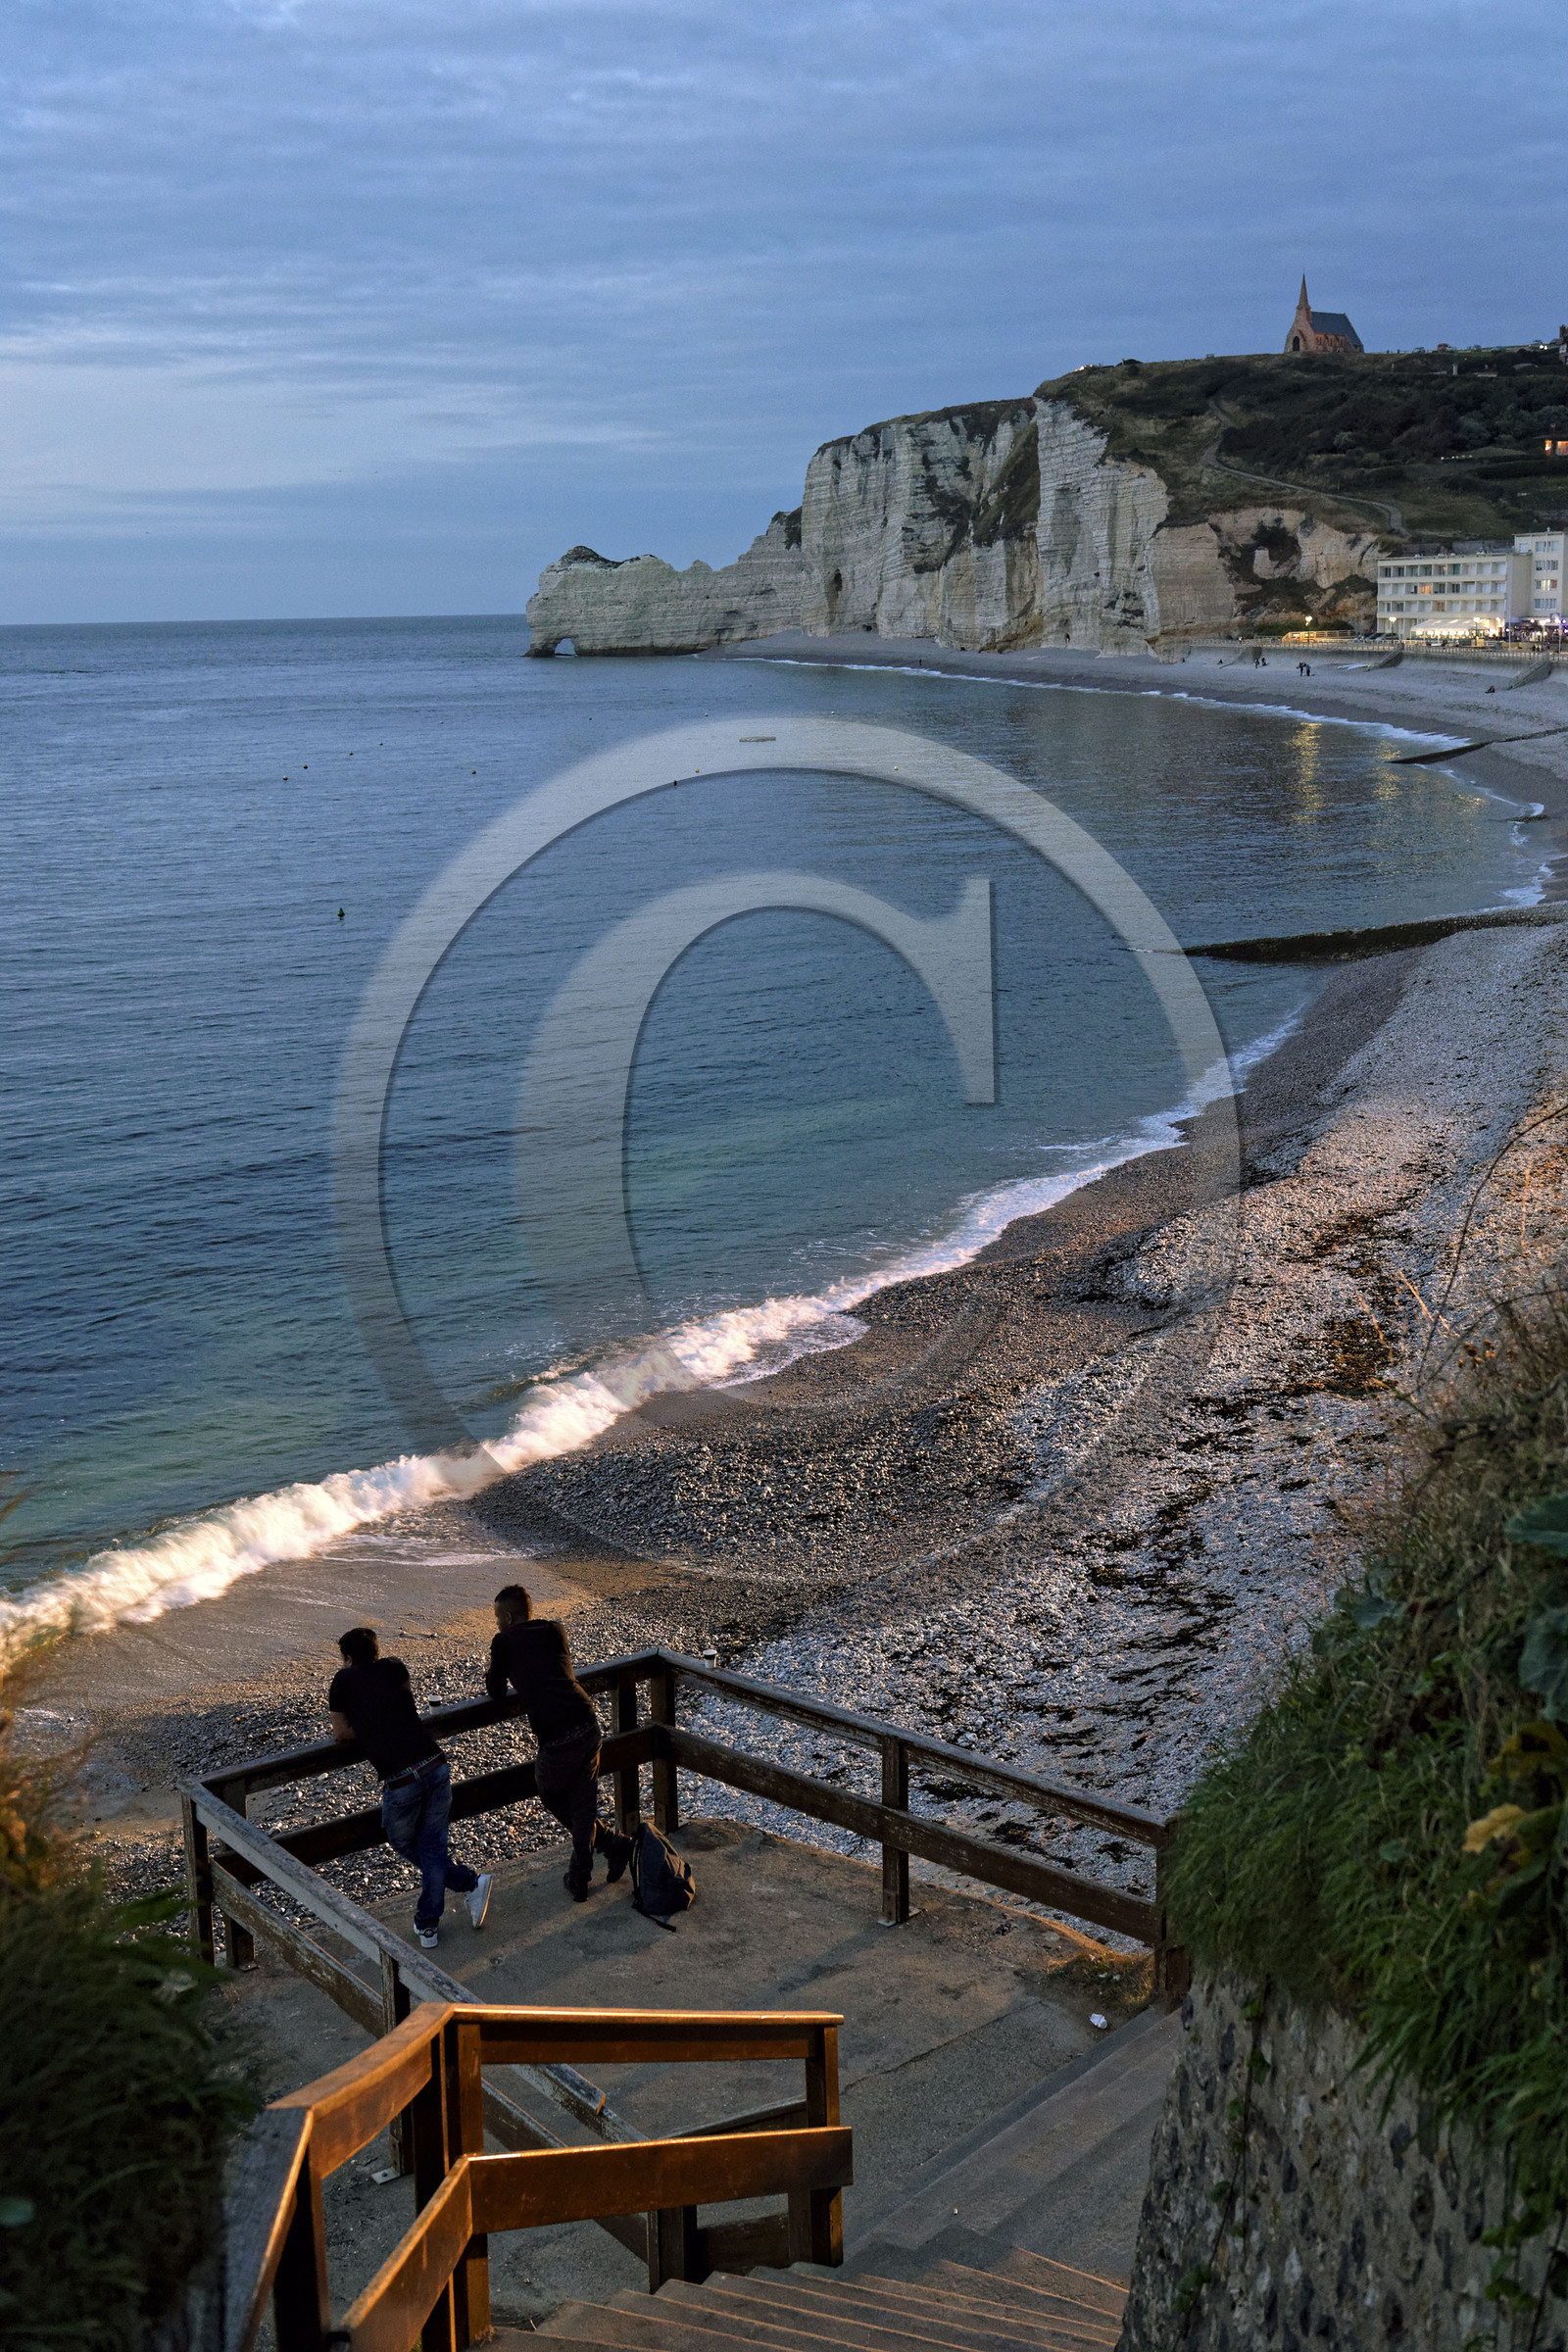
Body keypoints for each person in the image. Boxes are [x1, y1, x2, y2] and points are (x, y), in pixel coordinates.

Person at [329, 1627, 491, 1949]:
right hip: (434, 1763)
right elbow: (402, 1707)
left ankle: (437, 1915)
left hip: (401, 1778)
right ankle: (464, 1889)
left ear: (348, 1658)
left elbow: (340, 1733)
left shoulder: (342, 1681)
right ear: (376, 1650)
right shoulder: (395, 1667)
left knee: (404, 1841)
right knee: (432, 1847)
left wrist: (371, 1728)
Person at [486, 1585, 632, 1901]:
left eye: (498, 1617)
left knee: (552, 1795)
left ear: (508, 1617)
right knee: (582, 1802)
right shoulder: (555, 1629)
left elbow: (495, 1691)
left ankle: (595, 1861)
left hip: (557, 1736)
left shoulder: (504, 1641)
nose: (496, 1623)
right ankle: (602, 1856)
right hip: (586, 1722)